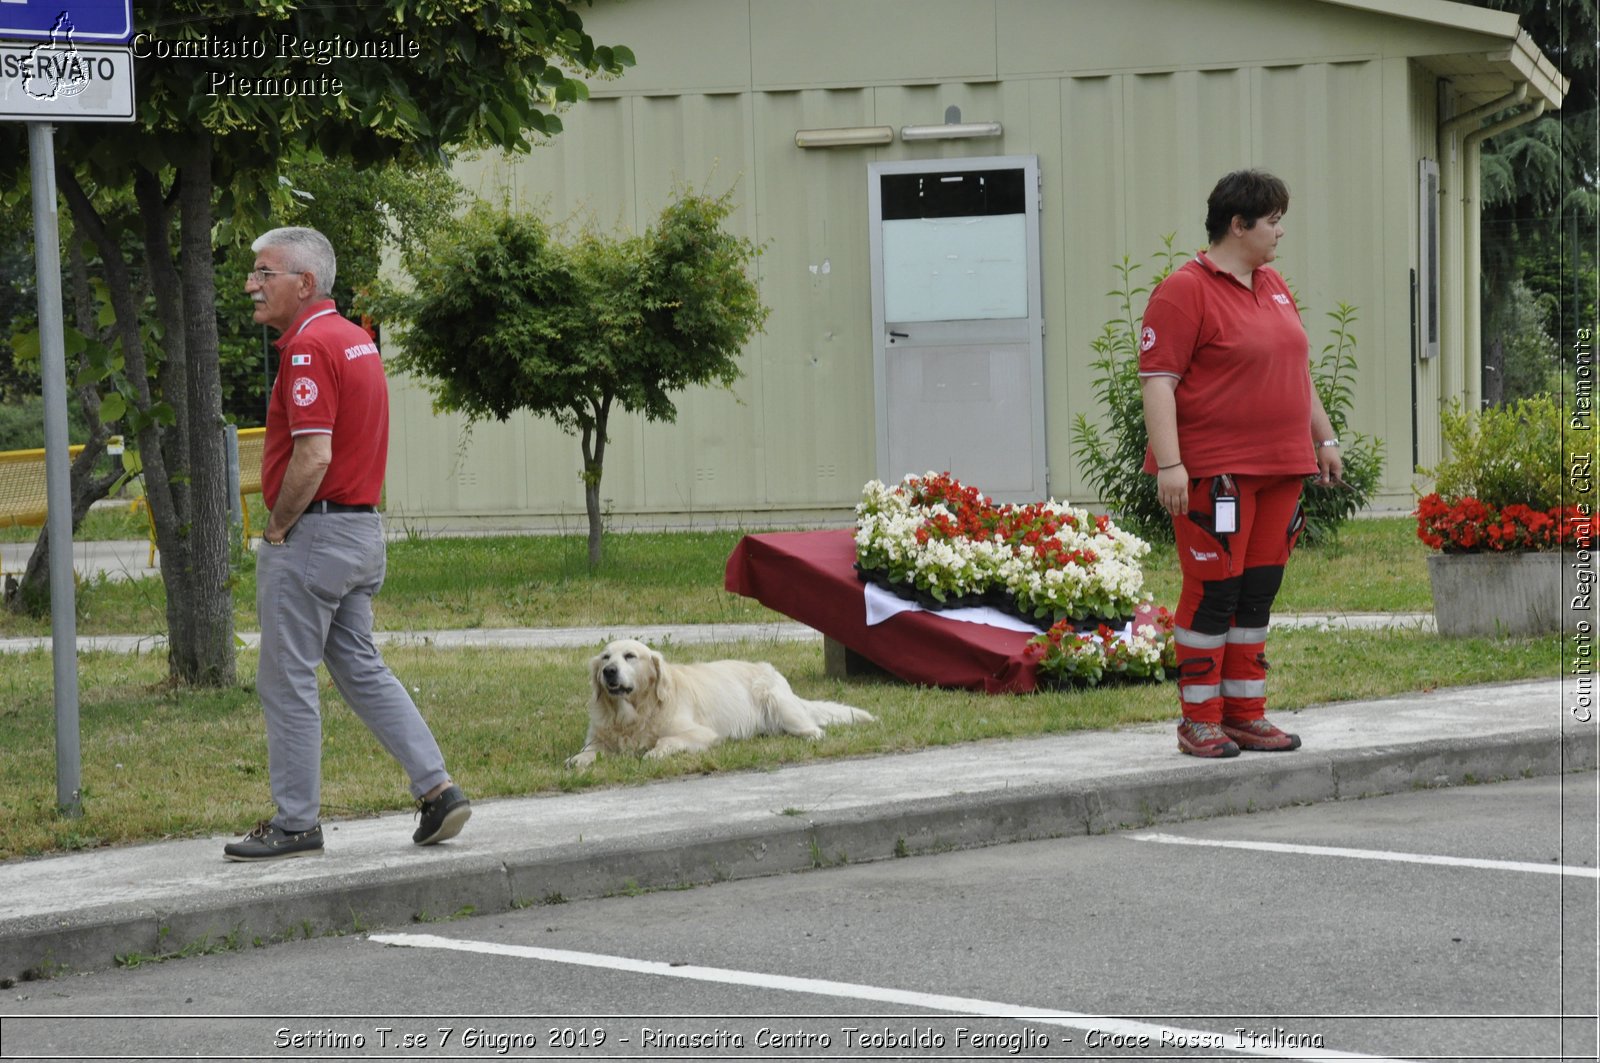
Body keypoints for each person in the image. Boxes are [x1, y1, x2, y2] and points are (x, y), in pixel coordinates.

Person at [224, 226, 470, 860]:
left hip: (314, 536)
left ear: (304, 284)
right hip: (360, 530)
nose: (251, 284)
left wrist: (277, 527)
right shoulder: (358, 340)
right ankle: (438, 790)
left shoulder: (307, 350)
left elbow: (313, 455)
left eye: (263, 272)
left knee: (286, 680)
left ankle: (296, 823)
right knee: (360, 667)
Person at [1137, 170, 1344, 759]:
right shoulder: (1184, 290)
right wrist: (1172, 466)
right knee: (1213, 594)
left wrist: (1323, 438)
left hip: (1280, 469)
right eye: (1273, 221)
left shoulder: (1273, 284)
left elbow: (1294, 369)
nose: (1280, 232)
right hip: (1214, 474)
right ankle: (1198, 720)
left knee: (1257, 594)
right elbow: (1158, 382)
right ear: (1238, 224)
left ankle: (1246, 715)